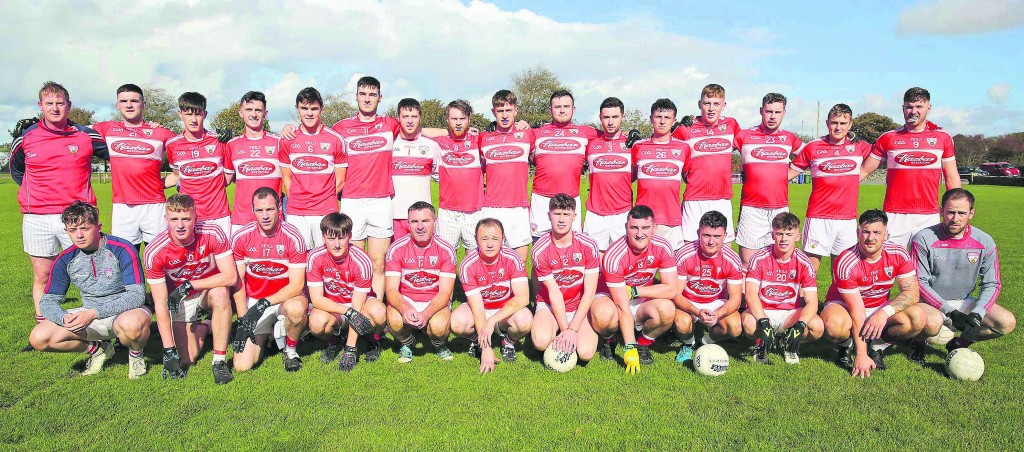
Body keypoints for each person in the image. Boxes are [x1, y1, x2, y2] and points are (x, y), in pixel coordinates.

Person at [11, 81, 109, 341]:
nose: (55, 108)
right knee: (42, 275)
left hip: (78, 216)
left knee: (94, 272)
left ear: (69, 105)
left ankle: (107, 328)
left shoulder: (85, 134)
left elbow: (120, 153)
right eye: (49, 103)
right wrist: (35, 193)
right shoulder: (26, 137)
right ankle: (44, 327)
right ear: (40, 105)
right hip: (37, 217)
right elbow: (17, 170)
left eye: (60, 103)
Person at [29, 202, 150, 379]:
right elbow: (48, 301)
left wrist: (95, 313)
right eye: (72, 230)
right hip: (89, 317)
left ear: (98, 227)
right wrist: (63, 317)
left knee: (132, 325)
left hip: (126, 313)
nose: (79, 235)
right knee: (39, 337)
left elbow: (137, 295)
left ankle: (136, 355)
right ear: (67, 231)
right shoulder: (65, 259)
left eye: (85, 228)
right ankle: (99, 350)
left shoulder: (122, 249)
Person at [821, 210, 927, 378]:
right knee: (833, 324)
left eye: (877, 232)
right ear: (858, 233)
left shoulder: (898, 253)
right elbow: (857, 310)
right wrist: (861, 355)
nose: (870, 238)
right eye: (866, 232)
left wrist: (883, 313)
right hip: (846, 307)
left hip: (878, 307)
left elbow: (912, 293)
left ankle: (877, 347)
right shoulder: (846, 261)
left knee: (918, 317)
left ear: (886, 235)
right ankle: (846, 344)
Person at [144, 194, 237, 383]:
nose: (180, 225)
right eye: (174, 219)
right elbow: (161, 304)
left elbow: (231, 276)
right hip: (178, 300)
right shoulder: (154, 251)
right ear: (166, 220)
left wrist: (190, 285)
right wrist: (169, 350)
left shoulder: (213, 232)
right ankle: (207, 326)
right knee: (188, 358)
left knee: (221, 293)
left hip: (205, 291)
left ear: (196, 217)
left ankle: (218, 361)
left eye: (186, 219)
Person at [912, 188, 1015, 356]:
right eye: (950, 212)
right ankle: (918, 342)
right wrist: (950, 311)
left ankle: (961, 341)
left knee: (1006, 322)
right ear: (941, 211)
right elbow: (919, 283)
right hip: (930, 303)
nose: (955, 219)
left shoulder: (985, 242)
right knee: (932, 323)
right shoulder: (923, 238)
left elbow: (992, 283)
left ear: (971, 213)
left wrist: (978, 314)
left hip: (963, 301)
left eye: (962, 213)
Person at [860, 87, 961, 247]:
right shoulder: (888, 138)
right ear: (903, 109)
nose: (913, 111)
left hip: (928, 214)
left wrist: (956, 209)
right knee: (891, 264)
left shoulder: (943, 138)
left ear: (929, 108)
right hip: (894, 214)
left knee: (927, 266)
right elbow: (864, 170)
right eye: (909, 107)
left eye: (919, 106)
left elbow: (952, 177)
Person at [591, 205, 678, 374]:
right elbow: (622, 305)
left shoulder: (664, 247)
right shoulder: (614, 255)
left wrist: (636, 291)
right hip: (611, 299)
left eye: (645, 228)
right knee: (603, 315)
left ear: (654, 227)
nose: (640, 234)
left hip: (638, 297)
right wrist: (628, 347)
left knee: (667, 309)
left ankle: (643, 344)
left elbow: (671, 289)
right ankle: (610, 340)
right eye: (634, 228)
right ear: (626, 228)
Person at [230, 188, 309, 373]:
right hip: (254, 303)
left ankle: (290, 351)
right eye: (259, 210)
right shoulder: (241, 237)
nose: (265, 215)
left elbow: (297, 285)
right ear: (252, 210)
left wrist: (265, 303)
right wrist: (243, 320)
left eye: (270, 209)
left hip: (284, 301)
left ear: (279, 208)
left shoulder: (293, 237)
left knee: (296, 309)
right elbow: (238, 282)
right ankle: (268, 337)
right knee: (241, 366)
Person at [91, 83, 178, 248]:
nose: (129, 105)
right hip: (122, 208)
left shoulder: (161, 133)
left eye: (134, 101)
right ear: (118, 105)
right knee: (125, 261)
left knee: (160, 259)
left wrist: (158, 184)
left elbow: (186, 155)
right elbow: (70, 131)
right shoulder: (106, 129)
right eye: (123, 101)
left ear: (143, 104)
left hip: (154, 207)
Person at [788, 104, 872, 273]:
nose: (838, 127)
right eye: (834, 122)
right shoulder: (813, 147)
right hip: (819, 217)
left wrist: (856, 177)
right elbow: (789, 174)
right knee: (810, 269)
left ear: (850, 124)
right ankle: (804, 300)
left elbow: (882, 154)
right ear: (827, 123)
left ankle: (837, 300)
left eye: (843, 123)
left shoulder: (860, 147)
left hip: (847, 218)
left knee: (843, 269)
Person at [306, 213, 386, 371]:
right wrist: (348, 312)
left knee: (379, 312)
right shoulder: (314, 257)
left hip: (360, 305)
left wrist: (350, 350)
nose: (336, 244)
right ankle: (332, 343)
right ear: (323, 237)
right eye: (331, 238)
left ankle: (373, 339)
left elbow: (357, 305)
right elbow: (317, 300)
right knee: (316, 323)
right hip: (334, 306)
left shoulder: (362, 260)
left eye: (341, 238)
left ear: (349, 236)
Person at [451, 219, 533, 373]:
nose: (490, 244)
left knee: (525, 320)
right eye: (484, 239)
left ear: (503, 240)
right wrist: (486, 349)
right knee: (457, 323)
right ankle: (477, 340)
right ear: (476, 240)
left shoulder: (513, 259)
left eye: (495, 239)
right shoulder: (467, 265)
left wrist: (492, 322)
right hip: (481, 308)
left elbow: (523, 298)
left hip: (504, 311)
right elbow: (477, 307)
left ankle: (508, 343)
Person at [530, 194, 603, 365]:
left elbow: (590, 291)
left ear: (574, 217)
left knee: (585, 353)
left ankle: (568, 330)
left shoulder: (588, 245)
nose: (561, 220)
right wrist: (566, 330)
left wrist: (573, 328)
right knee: (540, 341)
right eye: (557, 214)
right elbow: (554, 293)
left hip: (578, 304)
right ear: (549, 216)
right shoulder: (539, 249)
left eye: (566, 214)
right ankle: (552, 328)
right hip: (548, 303)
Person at [741, 213, 822, 365]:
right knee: (749, 324)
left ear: (797, 236)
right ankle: (761, 344)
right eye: (779, 234)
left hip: (790, 313)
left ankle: (788, 344)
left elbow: (812, 302)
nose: (784, 239)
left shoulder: (805, 263)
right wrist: (763, 322)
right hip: (764, 310)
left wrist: (800, 325)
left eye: (789, 234)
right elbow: (751, 295)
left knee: (817, 327)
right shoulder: (759, 258)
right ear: (773, 235)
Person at [735, 93, 804, 268]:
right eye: (769, 111)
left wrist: (788, 174)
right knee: (747, 264)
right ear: (761, 111)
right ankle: (747, 296)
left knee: (779, 261)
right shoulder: (744, 135)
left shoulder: (789, 138)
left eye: (777, 112)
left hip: (779, 208)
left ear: (784, 113)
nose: (773, 116)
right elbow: (717, 148)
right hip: (752, 208)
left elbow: (812, 153)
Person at [384, 202, 458, 363]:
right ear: (408, 224)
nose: (420, 226)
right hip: (407, 299)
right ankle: (408, 343)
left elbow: (445, 293)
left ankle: (438, 343)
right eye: (414, 221)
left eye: (425, 221)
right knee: (394, 319)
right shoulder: (396, 248)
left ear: (434, 221)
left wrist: (426, 313)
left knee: (439, 327)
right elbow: (391, 290)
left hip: (434, 299)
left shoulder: (446, 250)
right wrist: (404, 308)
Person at [279, 87, 347, 249]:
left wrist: (322, 202)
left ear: (321, 109)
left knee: (327, 257)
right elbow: (286, 178)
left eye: (314, 108)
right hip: (297, 212)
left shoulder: (335, 139)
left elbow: (341, 180)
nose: (309, 113)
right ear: (297, 109)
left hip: (325, 211)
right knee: (299, 259)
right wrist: (297, 201)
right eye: (304, 108)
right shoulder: (287, 139)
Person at [672, 211, 744, 364]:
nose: (711, 241)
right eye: (706, 235)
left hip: (715, 302)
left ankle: (704, 342)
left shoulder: (732, 259)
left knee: (735, 328)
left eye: (717, 236)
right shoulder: (685, 254)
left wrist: (717, 314)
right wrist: (697, 312)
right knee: (681, 323)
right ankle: (688, 343)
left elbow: (736, 299)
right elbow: (676, 294)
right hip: (688, 300)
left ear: (725, 235)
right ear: (698, 233)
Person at [672, 83, 741, 243]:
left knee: (724, 250)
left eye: (716, 104)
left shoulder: (731, 125)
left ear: (724, 105)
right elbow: (664, 145)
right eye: (707, 103)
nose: (711, 108)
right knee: (689, 250)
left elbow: (748, 143)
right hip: (694, 197)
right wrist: (676, 127)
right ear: (699, 104)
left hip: (722, 198)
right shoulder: (686, 128)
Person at [530, 89, 599, 237]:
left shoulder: (587, 132)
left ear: (573, 109)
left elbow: (611, 135)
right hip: (541, 199)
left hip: (571, 198)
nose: (562, 111)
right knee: (539, 246)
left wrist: (625, 134)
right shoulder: (536, 133)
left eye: (566, 107)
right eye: (557, 107)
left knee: (571, 246)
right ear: (550, 110)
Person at [165, 92, 234, 237]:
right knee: (194, 259)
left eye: (198, 114)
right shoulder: (173, 145)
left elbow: (227, 177)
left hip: (219, 215)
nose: (194, 119)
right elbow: (176, 176)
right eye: (188, 114)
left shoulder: (219, 141)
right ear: (180, 114)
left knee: (223, 259)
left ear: (205, 114)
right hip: (188, 216)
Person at [479, 90, 535, 263]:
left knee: (519, 265)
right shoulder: (483, 138)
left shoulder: (528, 134)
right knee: (491, 261)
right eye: (500, 110)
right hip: (491, 207)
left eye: (508, 110)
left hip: (518, 207)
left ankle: (518, 291)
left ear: (516, 110)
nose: (504, 115)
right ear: (493, 112)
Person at [632, 98, 691, 251]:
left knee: (671, 269)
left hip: (671, 219)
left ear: (674, 120)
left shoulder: (683, 147)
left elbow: (690, 178)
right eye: (658, 117)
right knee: (642, 268)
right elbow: (627, 179)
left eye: (667, 118)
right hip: (643, 220)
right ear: (651, 119)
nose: (662, 122)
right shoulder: (638, 146)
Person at [432, 99, 484, 254]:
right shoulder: (440, 142)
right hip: (447, 211)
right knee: (446, 259)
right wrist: (445, 131)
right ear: (447, 120)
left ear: (469, 119)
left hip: (474, 211)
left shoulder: (479, 140)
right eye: (454, 119)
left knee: (475, 259)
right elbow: (418, 130)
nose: (459, 123)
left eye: (462, 118)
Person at [225, 91, 283, 230]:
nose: (254, 114)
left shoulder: (279, 142)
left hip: (273, 220)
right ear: (240, 113)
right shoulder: (232, 145)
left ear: (265, 113)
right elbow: (225, 180)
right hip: (241, 221)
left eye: (258, 110)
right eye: (249, 110)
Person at [584, 97, 633, 255]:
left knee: (622, 262)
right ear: (600, 118)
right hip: (595, 214)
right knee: (594, 266)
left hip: (622, 213)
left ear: (622, 117)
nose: (610, 122)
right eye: (606, 117)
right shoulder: (591, 144)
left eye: (615, 117)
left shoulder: (633, 145)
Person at [391, 98, 441, 240]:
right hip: (394, 215)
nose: (410, 121)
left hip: (423, 217)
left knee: (424, 259)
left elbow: (441, 179)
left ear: (420, 118)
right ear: (398, 118)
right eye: (405, 116)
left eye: (414, 116)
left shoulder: (432, 146)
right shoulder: (389, 144)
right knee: (395, 259)